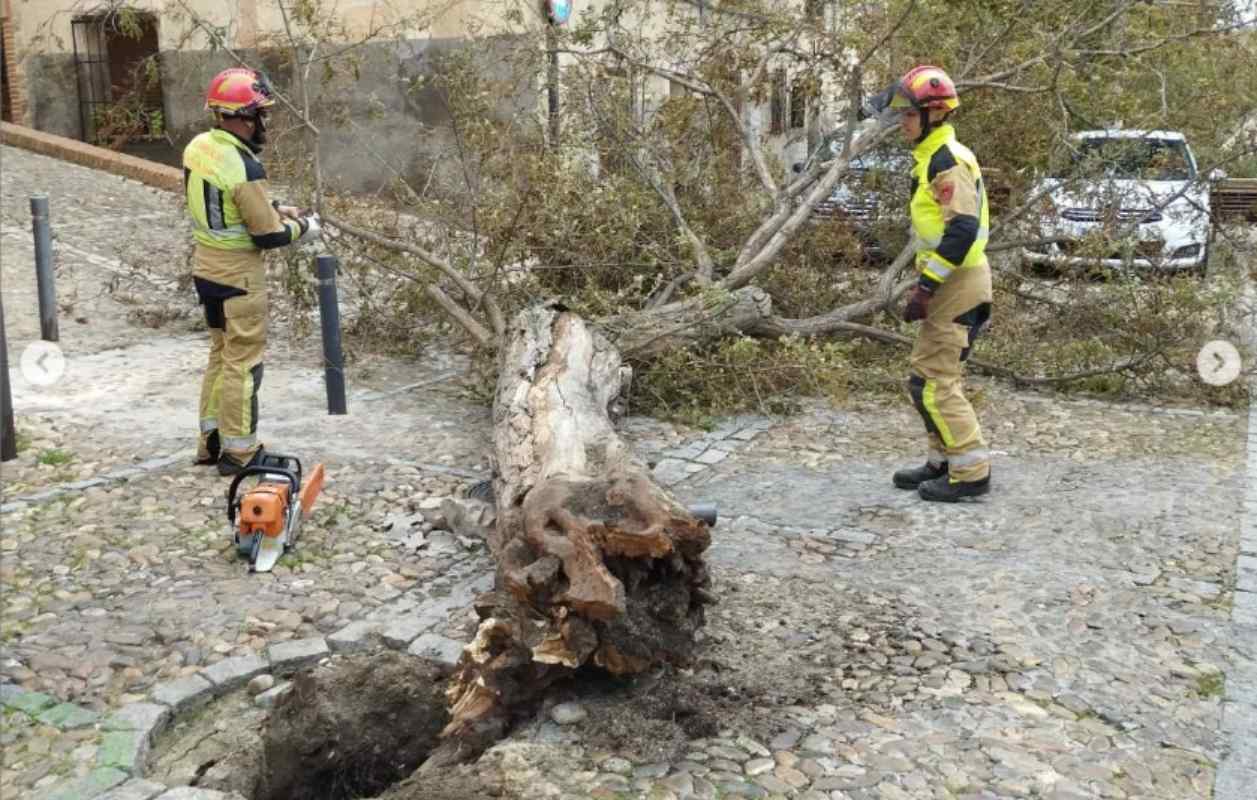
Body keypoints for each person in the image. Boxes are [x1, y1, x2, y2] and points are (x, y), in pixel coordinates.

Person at [183, 67, 320, 476]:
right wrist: (305, 227)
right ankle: (240, 453)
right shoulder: (245, 166)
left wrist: (274, 206)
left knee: (220, 355)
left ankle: (210, 443)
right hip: (239, 278)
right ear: (245, 116)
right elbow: (268, 235)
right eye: (262, 114)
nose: (265, 122)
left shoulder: (200, 147)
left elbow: (224, 199)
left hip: (206, 268)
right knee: (243, 364)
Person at [884, 65, 993, 502]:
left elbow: (962, 230)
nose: (903, 122)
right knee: (925, 378)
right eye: (902, 114)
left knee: (935, 381)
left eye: (910, 114)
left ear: (935, 114)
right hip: (951, 281)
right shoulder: (931, 157)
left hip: (959, 282)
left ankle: (971, 472)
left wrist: (926, 287)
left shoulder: (947, 160)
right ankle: (942, 461)